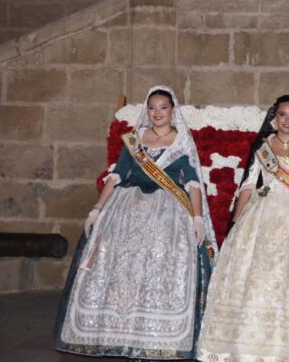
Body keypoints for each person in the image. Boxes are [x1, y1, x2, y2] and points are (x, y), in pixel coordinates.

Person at [54, 85, 217, 360]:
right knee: (119, 265)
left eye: (163, 108)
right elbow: (117, 174)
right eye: (152, 108)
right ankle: (117, 330)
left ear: (172, 111)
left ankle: (152, 333)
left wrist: (197, 216)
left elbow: (192, 182)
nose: (157, 113)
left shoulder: (181, 142)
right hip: (127, 206)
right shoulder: (134, 138)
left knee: (157, 265)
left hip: (167, 210)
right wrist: (96, 209)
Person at [196, 95, 289, 361]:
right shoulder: (263, 147)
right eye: (283, 115)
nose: (287, 120)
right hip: (263, 212)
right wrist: (234, 223)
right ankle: (248, 345)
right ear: (274, 119)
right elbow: (249, 185)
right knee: (257, 276)